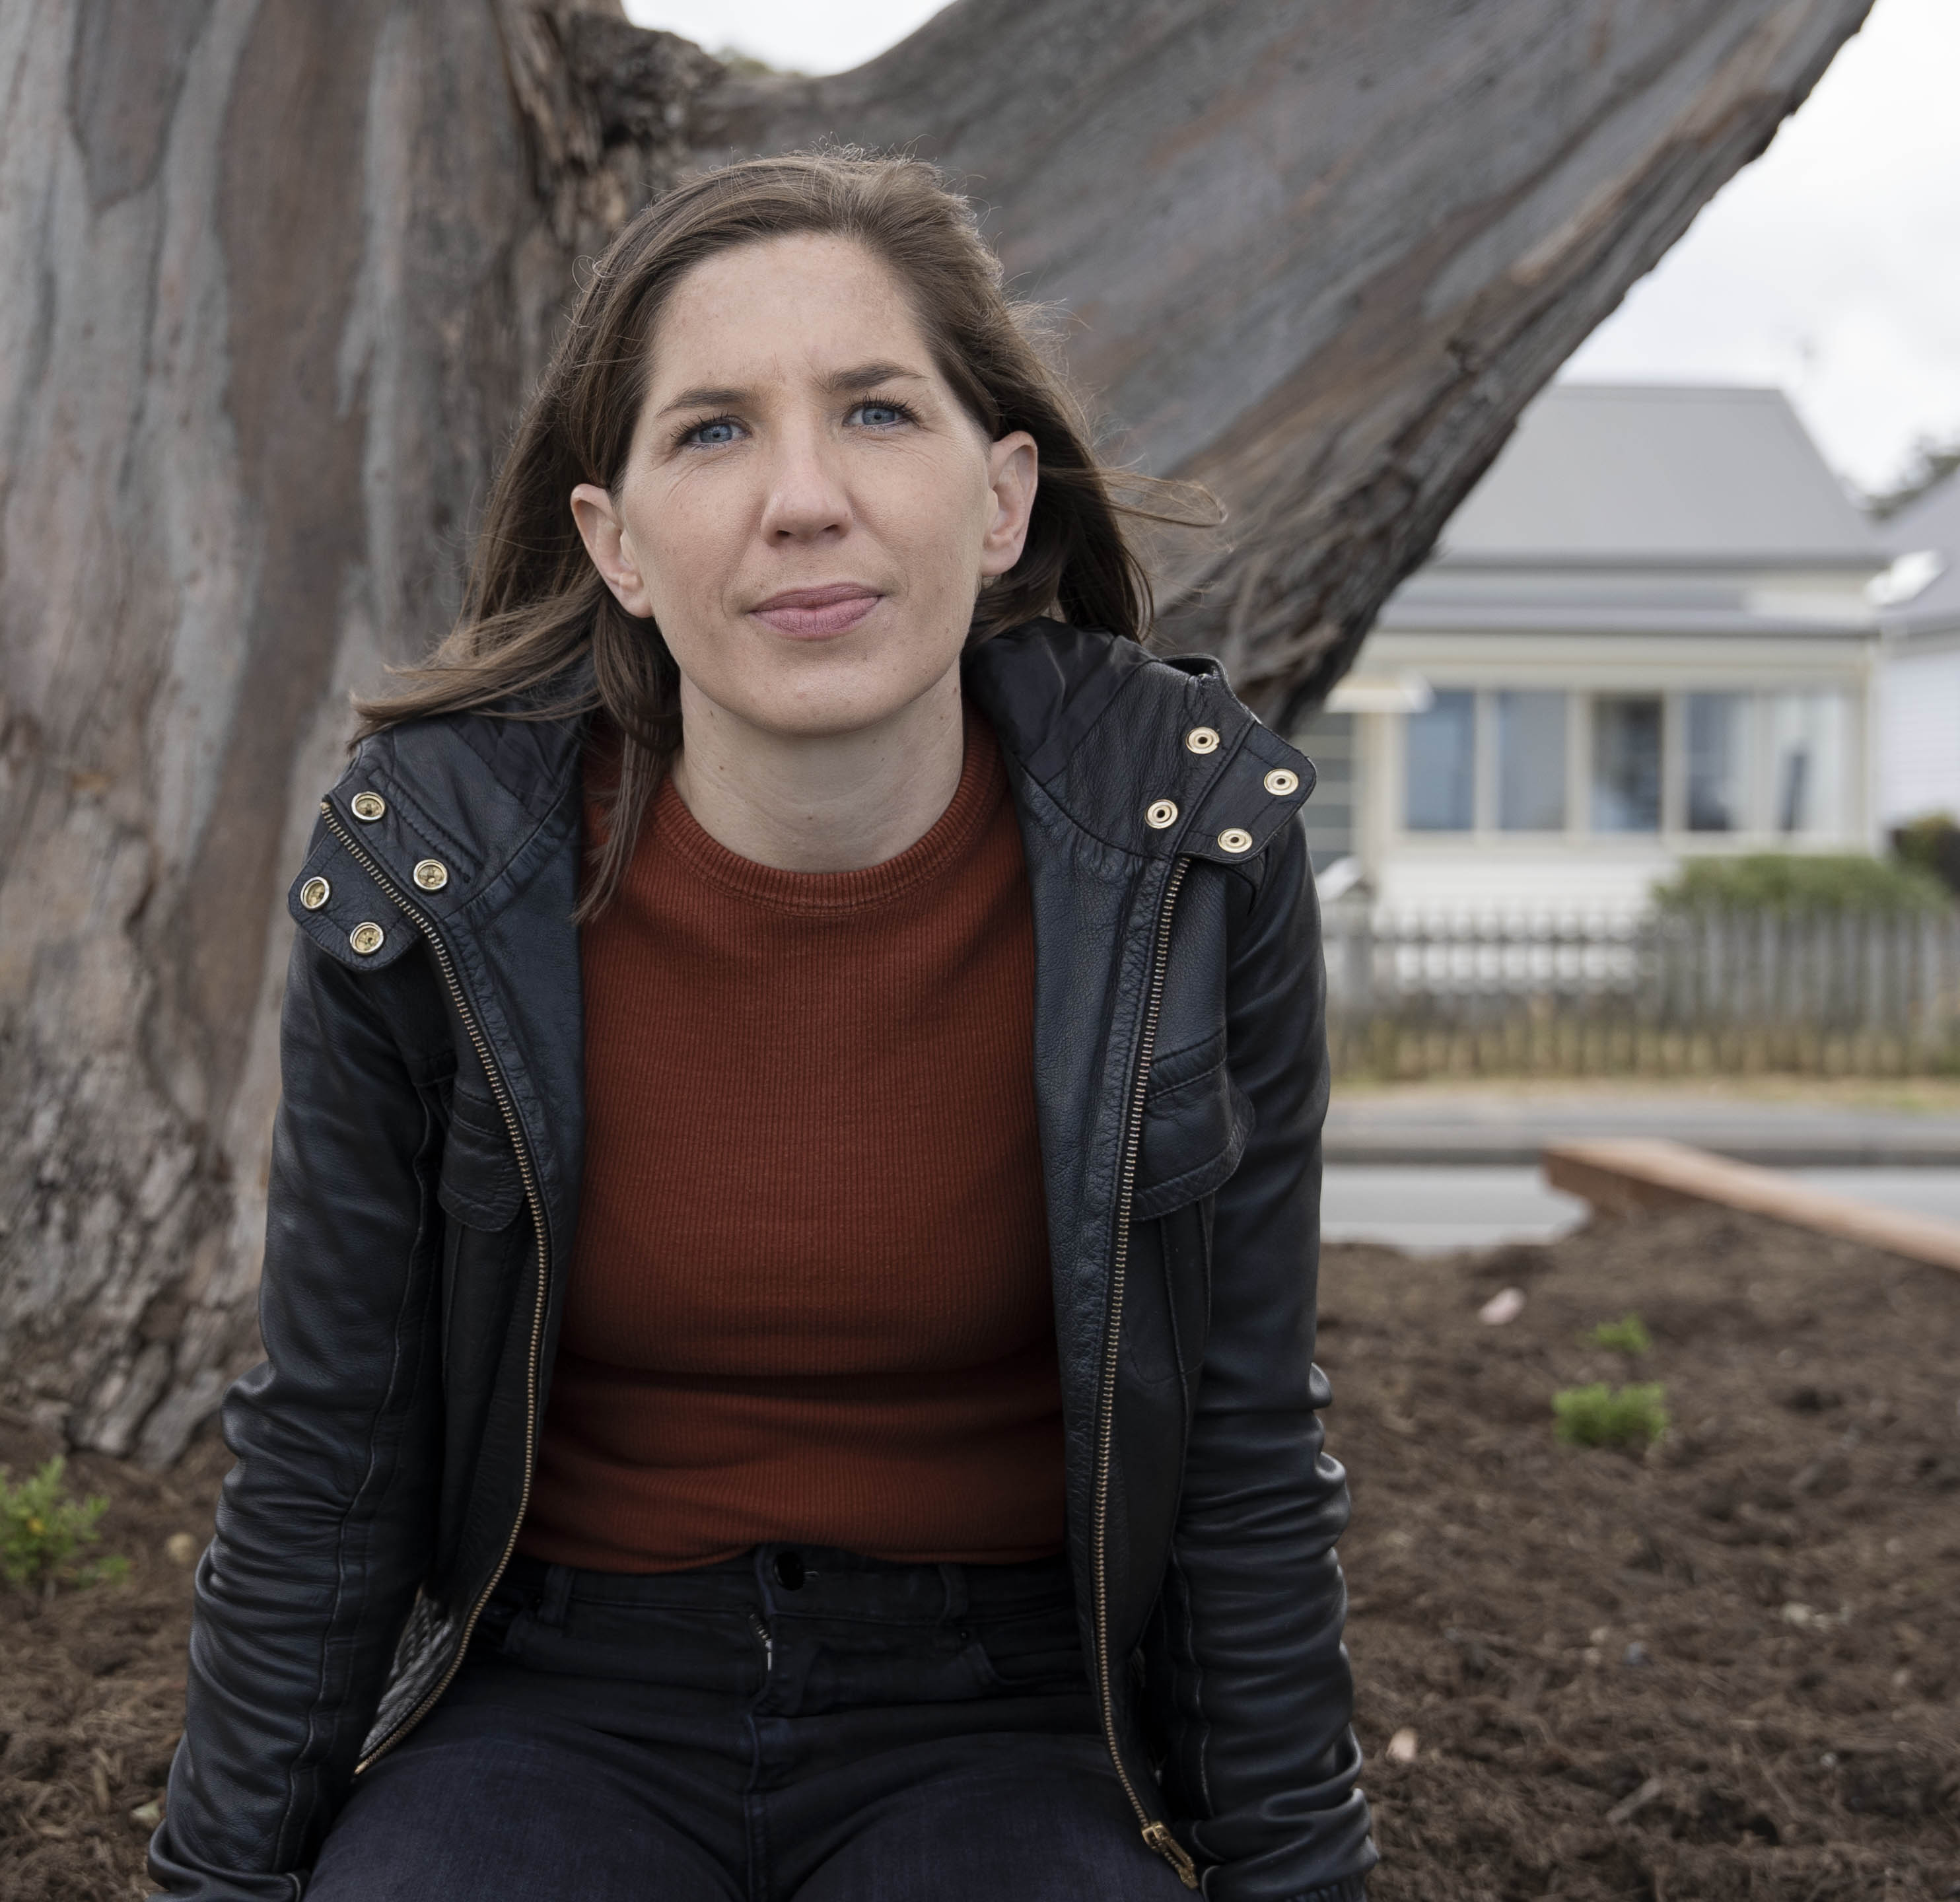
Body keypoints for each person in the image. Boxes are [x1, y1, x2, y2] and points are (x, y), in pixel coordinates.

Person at [147, 151, 1372, 1902]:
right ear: (616, 542)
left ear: (1004, 499)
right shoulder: (430, 882)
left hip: (1004, 1723)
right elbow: (331, 1444)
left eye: (877, 412)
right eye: (712, 431)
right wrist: (217, 1886)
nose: (804, 499)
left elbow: (1247, 1453)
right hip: (555, 1706)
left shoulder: (1185, 857)